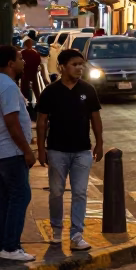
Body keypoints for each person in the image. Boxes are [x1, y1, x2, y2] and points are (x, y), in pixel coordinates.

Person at [36, 48, 103, 251]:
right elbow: (41, 121)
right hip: (57, 150)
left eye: (81, 64)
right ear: (62, 67)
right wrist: (41, 148)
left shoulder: (88, 90)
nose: (79, 68)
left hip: (82, 150)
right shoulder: (51, 92)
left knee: (80, 192)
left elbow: (95, 118)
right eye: (74, 64)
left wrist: (99, 142)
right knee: (56, 192)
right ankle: (56, 228)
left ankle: (76, 234)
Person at [0, 45, 37, 261]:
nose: (23, 62)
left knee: (4, 196)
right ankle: (11, 247)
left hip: (0, 150)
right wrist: (27, 151)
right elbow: (12, 122)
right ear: (10, 63)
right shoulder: (6, 87)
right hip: (9, 151)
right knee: (20, 196)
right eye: (20, 58)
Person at [19, 38, 42, 103]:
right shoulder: (35, 52)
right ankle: (38, 100)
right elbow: (38, 62)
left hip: (25, 73)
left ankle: (24, 100)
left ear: (25, 44)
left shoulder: (22, 52)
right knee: (35, 87)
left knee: (24, 87)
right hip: (33, 72)